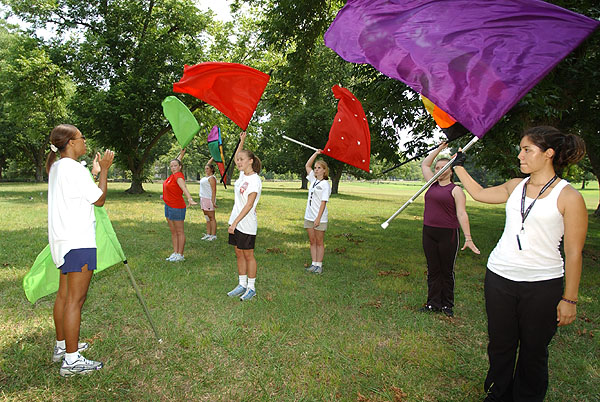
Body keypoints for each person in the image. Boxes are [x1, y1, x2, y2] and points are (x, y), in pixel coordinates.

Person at [452, 126, 588, 401]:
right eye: (520, 149)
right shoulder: (516, 186)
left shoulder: (569, 196)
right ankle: (496, 394)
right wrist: (459, 168)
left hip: (542, 285)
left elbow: (574, 252)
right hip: (499, 278)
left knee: (533, 351)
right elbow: (479, 193)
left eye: (527, 150)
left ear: (548, 154)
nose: (520, 155)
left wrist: (570, 299)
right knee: (500, 345)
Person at [46, 124, 114, 377]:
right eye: (81, 138)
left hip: (63, 242)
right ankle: (72, 361)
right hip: (79, 241)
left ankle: (62, 346)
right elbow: (99, 198)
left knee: (64, 296)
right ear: (71, 143)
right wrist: (104, 171)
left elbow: (82, 193)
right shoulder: (74, 169)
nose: (85, 141)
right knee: (76, 300)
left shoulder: (57, 167)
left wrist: (94, 172)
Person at [419, 142, 480, 317]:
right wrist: (439, 148)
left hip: (448, 234)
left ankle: (447, 305)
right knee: (433, 269)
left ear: (451, 170)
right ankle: (433, 303)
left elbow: (462, 214)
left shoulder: (456, 190)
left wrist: (468, 238)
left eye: (443, 167)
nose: (438, 169)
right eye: (437, 167)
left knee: (446, 270)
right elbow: (425, 164)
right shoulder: (431, 184)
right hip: (429, 232)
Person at [226, 131, 262, 301]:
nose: (238, 162)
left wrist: (235, 223)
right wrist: (242, 141)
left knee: (248, 255)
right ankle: (241, 284)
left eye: (242, 160)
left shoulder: (255, 180)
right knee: (239, 253)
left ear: (251, 161)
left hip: (246, 224)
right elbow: (235, 158)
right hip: (235, 221)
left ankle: (251, 287)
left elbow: (249, 205)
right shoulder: (242, 175)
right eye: (238, 160)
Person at [162, 149, 197, 262]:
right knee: (173, 232)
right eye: (171, 166)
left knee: (179, 232)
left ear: (180, 167)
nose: (173, 167)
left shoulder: (178, 176)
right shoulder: (172, 175)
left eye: (175, 166)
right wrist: (181, 154)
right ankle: (175, 252)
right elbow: (177, 161)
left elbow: (184, 188)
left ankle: (180, 255)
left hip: (176, 207)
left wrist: (190, 199)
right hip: (168, 206)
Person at [304, 150, 331, 274]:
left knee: (319, 242)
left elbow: (323, 202)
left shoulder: (326, 184)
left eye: (319, 168)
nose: (316, 170)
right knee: (312, 241)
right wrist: (315, 154)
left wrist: (318, 218)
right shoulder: (313, 180)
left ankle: (319, 265)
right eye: (315, 168)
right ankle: (313, 263)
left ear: (324, 170)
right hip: (309, 216)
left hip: (319, 217)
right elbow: (307, 166)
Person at [199, 158, 218, 241]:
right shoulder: (206, 177)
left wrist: (213, 201)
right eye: (205, 168)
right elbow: (207, 164)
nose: (205, 170)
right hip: (203, 199)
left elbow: (214, 190)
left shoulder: (212, 178)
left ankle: (213, 235)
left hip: (209, 199)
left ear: (211, 169)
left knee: (211, 217)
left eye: (207, 168)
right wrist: (213, 157)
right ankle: (208, 234)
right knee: (207, 217)